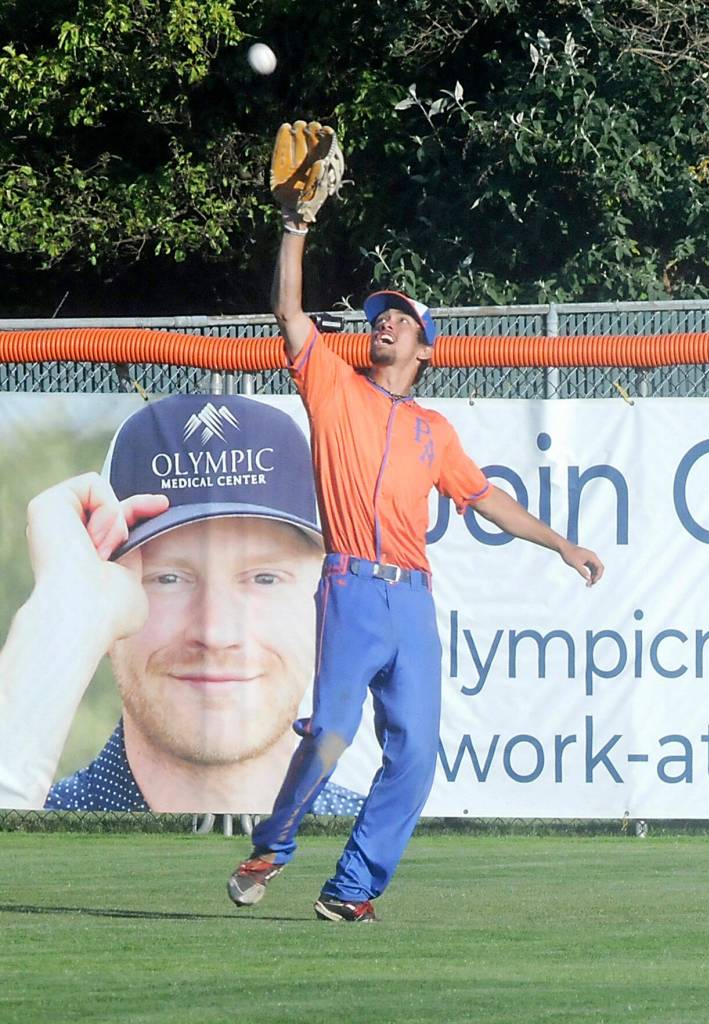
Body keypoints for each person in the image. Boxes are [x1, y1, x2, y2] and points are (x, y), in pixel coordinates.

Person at [226, 194, 605, 923]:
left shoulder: (434, 429)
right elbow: (287, 311)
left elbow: (485, 498)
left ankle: (352, 889)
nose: (385, 321)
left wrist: (560, 544)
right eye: (379, 315)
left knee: (417, 756)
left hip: (412, 601)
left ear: (425, 346)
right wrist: (295, 228)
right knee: (331, 734)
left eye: (400, 316)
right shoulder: (333, 386)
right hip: (351, 586)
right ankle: (273, 843)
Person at [0, 393, 363, 817]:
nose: (216, 633)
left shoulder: (390, 849)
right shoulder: (38, 832)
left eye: (265, 578)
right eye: (168, 579)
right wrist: (60, 613)